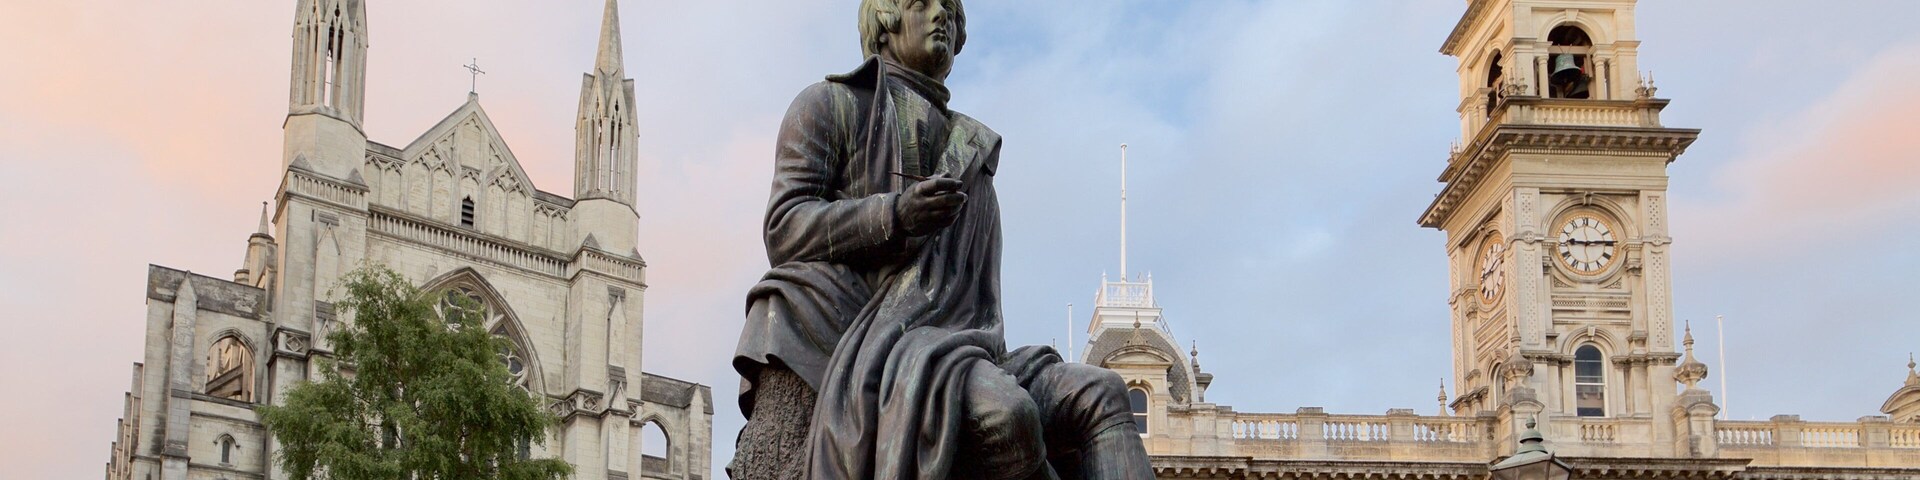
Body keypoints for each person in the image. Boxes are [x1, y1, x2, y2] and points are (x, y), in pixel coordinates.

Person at [731, 0, 1155, 479]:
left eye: (951, 11)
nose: (942, 16)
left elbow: (978, 302)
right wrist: (895, 215)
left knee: (1103, 393)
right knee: (1007, 415)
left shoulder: (971, 149)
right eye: (923, 3)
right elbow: (785, 226)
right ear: (885, 21)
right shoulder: (828, 105)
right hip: (880, 342)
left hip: (969, 348)